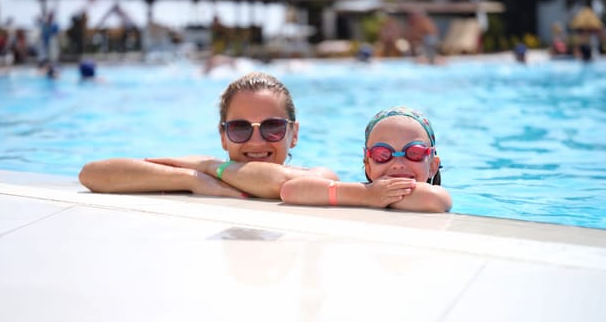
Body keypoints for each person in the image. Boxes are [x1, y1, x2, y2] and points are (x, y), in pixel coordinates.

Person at [78, 72, 338, 199]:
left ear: (293, 134)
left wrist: (207, 166)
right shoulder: (205, 176)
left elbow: (281, 185)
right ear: (223, 136)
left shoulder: (318, 176)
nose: (256, 141)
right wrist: (191, 178)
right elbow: (92, 174)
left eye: (273, 127)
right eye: (239, 128)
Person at [280, 106, 452, 212]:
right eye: (383, 154)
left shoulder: (434, 196)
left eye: (413, 153)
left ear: (432, 166)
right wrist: (366, 195)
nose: (398, 164)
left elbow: (437, 199)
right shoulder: (363, 191)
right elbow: (290, 190)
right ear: (368, 165)